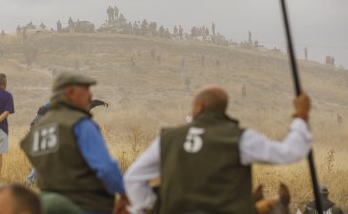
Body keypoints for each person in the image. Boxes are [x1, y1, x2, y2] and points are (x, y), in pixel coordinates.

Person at [124, 86, 312, 213]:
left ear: (198, 107)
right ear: (224, 110)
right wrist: (301, 116)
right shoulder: (240, 138)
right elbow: (289, 152)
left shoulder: (168, 139)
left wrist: (152, 206)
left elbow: (132, 178)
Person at [20, 72, 128, 214]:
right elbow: (106, 168)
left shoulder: (40, 129)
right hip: (83, 204)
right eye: (86, 91)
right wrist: (125, 193)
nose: (90, 96)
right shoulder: (80, 124)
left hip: (46, 204)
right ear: (71, 92)